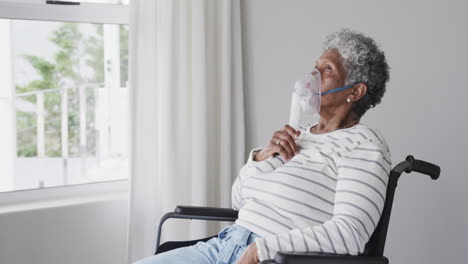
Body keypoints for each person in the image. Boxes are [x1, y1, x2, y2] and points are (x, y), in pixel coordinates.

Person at [135, 28, 391, 264]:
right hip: (223, 246)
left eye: (327, 70)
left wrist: (263, 249)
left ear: (355, 91)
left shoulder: (364, 147)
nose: (312, 77)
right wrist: (261, 157)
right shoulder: (297, 136)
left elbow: (349, 234)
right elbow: (238, 200)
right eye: (315, 67)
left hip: (271, 258)